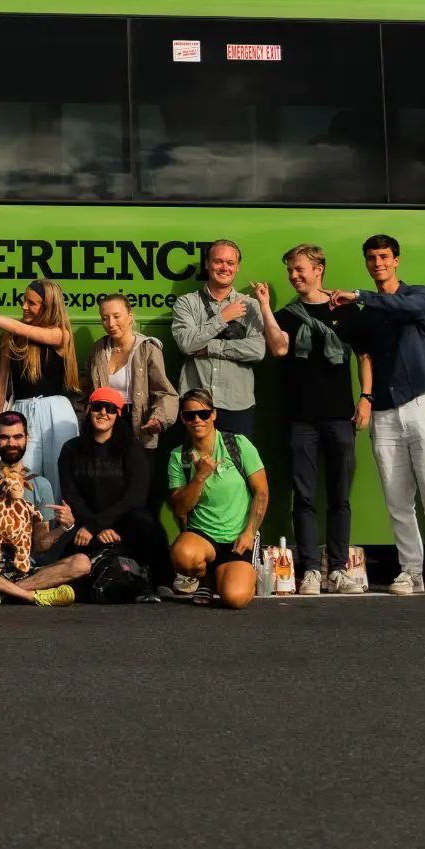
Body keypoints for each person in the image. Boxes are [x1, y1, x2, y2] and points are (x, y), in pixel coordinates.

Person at [328, 235, 425, 599]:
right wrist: (366, 397)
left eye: (384, 257)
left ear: (397, 260)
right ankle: (411, 571)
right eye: (371, 258)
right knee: (397, 498)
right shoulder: (365, 313)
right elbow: (363, 354)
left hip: (421, 406)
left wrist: (357, 295)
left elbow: (403, 309)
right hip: (384, 413)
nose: (378, 263)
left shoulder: (418, 295)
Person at [257, 244, 368, 595]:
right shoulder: (287, 314)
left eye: (300, 269)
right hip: (301, 419)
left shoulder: (346, 311)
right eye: (290, 270)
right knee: (303, 498)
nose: (294, 276)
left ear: (319, 269)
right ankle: (309, 571)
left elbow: (365, 355)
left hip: (339, 417)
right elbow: (278, 347)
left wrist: (366, 397)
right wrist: (263, 306)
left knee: (340, 497)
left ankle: (337, 569)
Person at [0, 409, 89, 605]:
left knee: (81, 563)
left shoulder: (40, 484)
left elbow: (40, 545)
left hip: (25, 569)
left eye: (17, 437)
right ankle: (29, 595)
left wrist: (65, 528)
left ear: (27, 438)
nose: (11, 443)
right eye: (4, 437)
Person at [0, 279, 83, 492]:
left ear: (48, 307)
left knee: (60, 475)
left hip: (56, 412)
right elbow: (1, 381)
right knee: (22, 476)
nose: (24, 306)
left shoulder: (61, 334)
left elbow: (20, 328)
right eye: (24, 301)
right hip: (22, 411)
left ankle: (59, 524)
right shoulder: (10, 338)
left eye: (32, 303)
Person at [166, 388, 268, 608]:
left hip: (238, 539)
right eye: (189, 415)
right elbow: (179, 508)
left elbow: (261, 492)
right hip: (203, 537)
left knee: (235, 598)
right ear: (183, 419)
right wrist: (200, 476)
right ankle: (208, 578)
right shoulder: (178, 456)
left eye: (203, 414)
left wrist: (249, 533)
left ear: (214, 414)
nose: (197, 420)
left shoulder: (238, 445)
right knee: (182, 556)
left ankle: (227, 576)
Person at [171, 240, 268, 462]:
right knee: (195, 472)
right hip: (196, 406)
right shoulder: (187, 303)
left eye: (230, 262)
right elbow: (186, 343)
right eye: (218, 261)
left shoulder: (251, 306)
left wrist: (210, 346)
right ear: (207, 264)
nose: (224, 267)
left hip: (237, 405)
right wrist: (223, 317)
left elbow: (258, 349)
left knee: (238, 470)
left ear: (238, 267)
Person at [58, 386, 162, 589]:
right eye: (98, 407)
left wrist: (98, 525)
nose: (103, 413)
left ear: (118, 415)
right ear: (89, 410)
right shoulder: (71, 449)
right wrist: (92, 526)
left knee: (145, 525)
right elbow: (71, 494)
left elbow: (135, 497)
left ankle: (155, 581)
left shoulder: (132, 449)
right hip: (85, 523)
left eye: (110, 409)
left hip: (123, 523)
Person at [85, 295, 176, 452]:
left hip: (138, 426)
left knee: (137, 474)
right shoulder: (98, 350)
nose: (111, 323)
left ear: (129, 316)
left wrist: (159, 418)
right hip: (104, 425)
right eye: (105, 318)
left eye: (116, 316)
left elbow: (164, 392)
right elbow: (83, 388)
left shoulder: (147, 349)